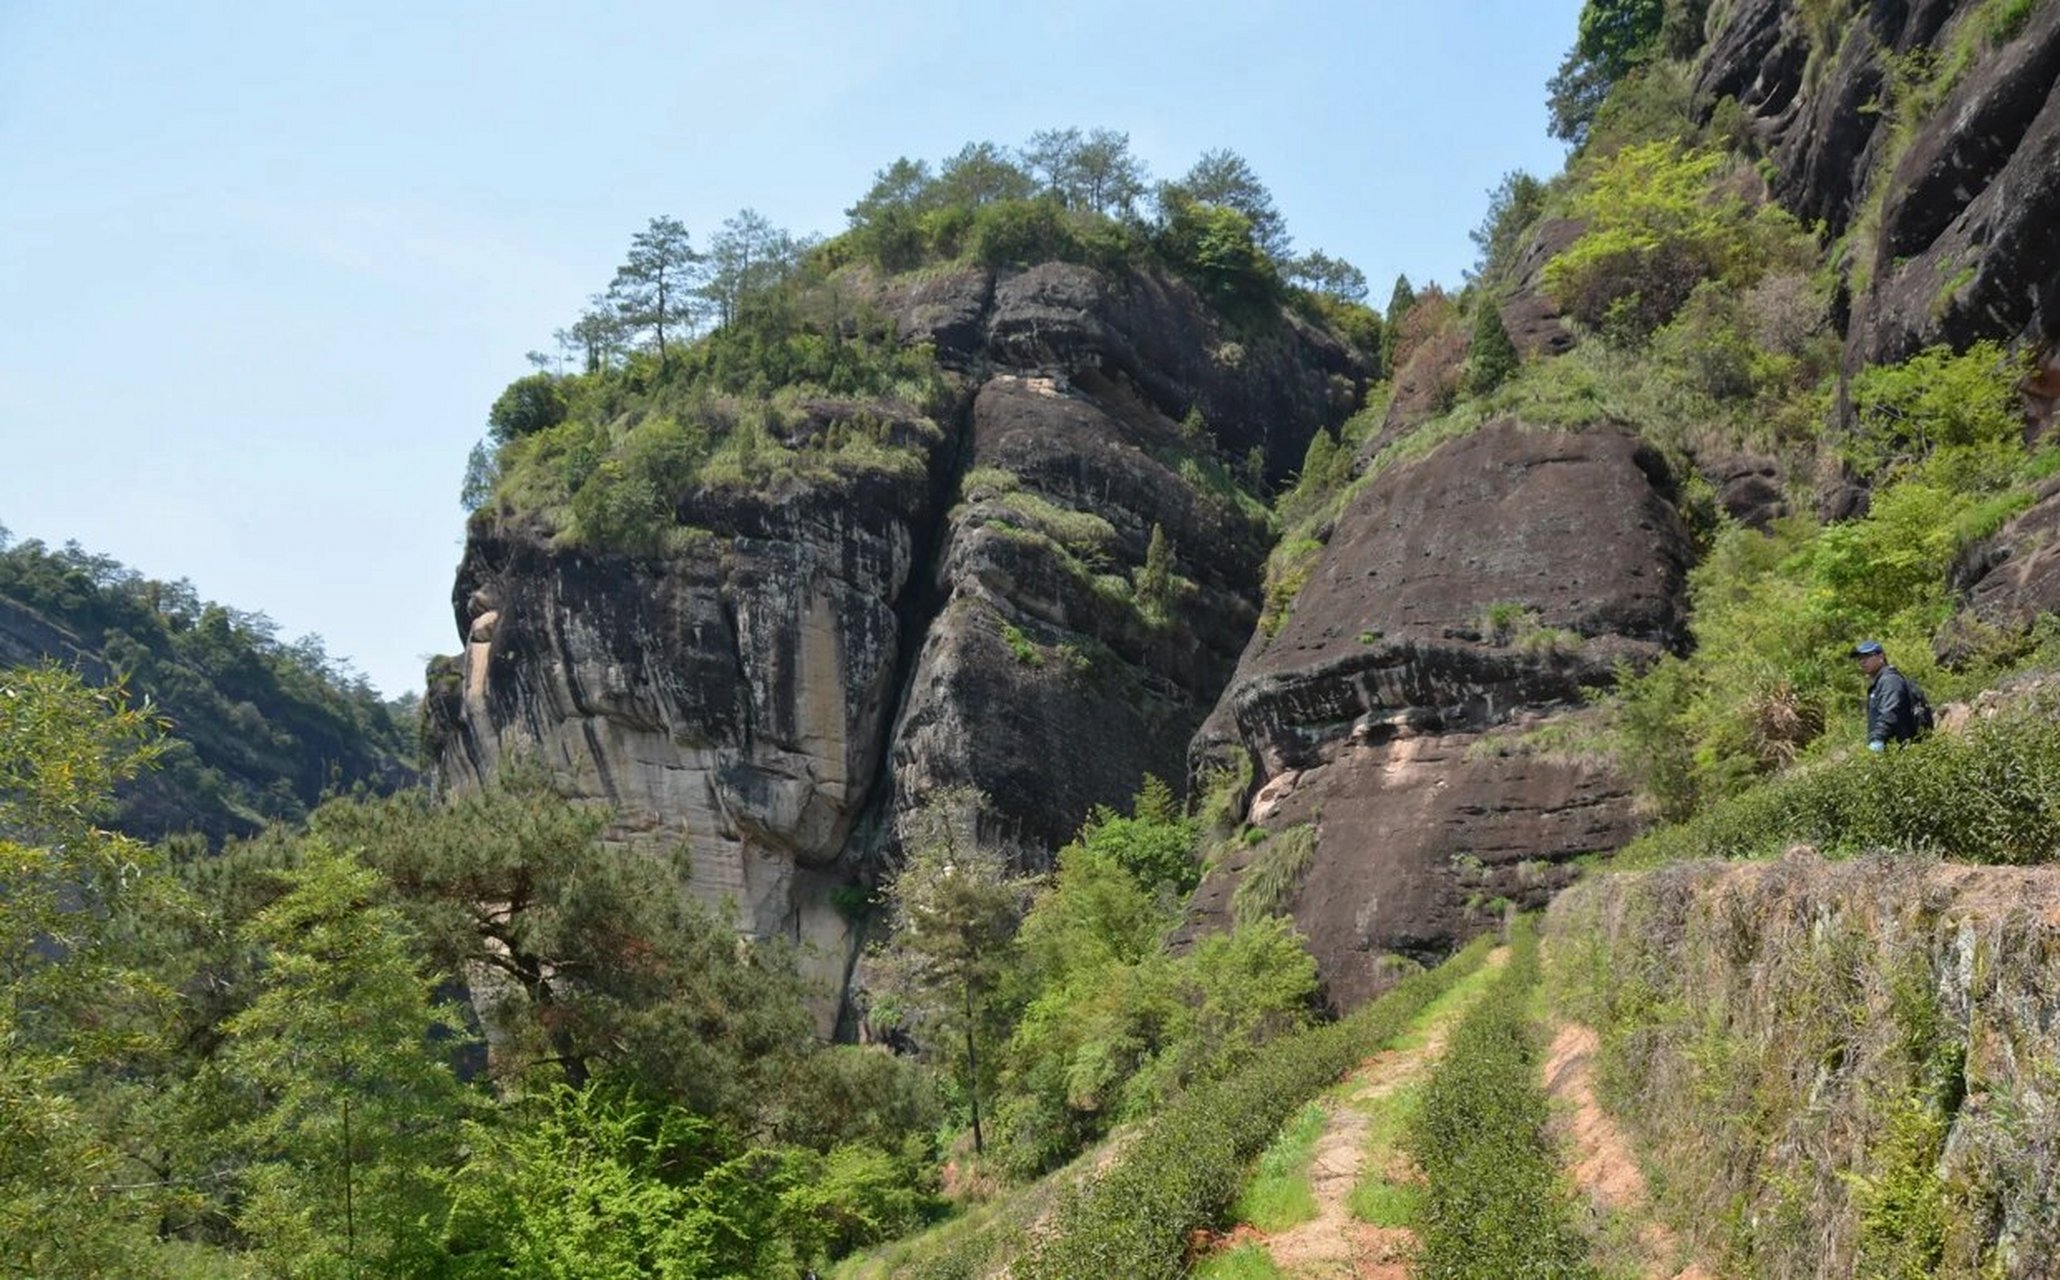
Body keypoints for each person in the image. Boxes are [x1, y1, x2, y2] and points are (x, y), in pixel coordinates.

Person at [1853, 640, 1918, 750]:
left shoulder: (1889, 680)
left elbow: (1891, 711)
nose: (1862, 661)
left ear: (1881, 656)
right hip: (1890, 751)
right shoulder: (1879, 682)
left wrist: (1878, 738)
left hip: (1900, 751)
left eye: (1867, 656)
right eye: (1859, 658)